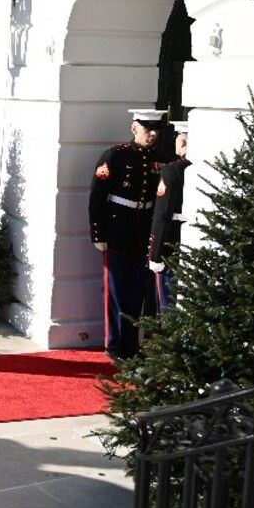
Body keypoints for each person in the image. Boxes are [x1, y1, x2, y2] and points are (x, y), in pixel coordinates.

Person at [89, 109, 167, 360]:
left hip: (144, 232)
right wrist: (99, 234)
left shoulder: (160, 159)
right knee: (116, 292)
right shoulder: (115, 155)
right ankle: (115, 347)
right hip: (118, 230)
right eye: (148, 129)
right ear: (134, 128)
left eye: (156, 130)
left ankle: (131, 347)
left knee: (137, 292)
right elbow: (97, 196)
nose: (153, 134)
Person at [149, 122, 190, 312]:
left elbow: (162, 215)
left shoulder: (172, 170)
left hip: (172, 245)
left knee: (168, 304)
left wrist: (155, 255)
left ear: (183, 143)